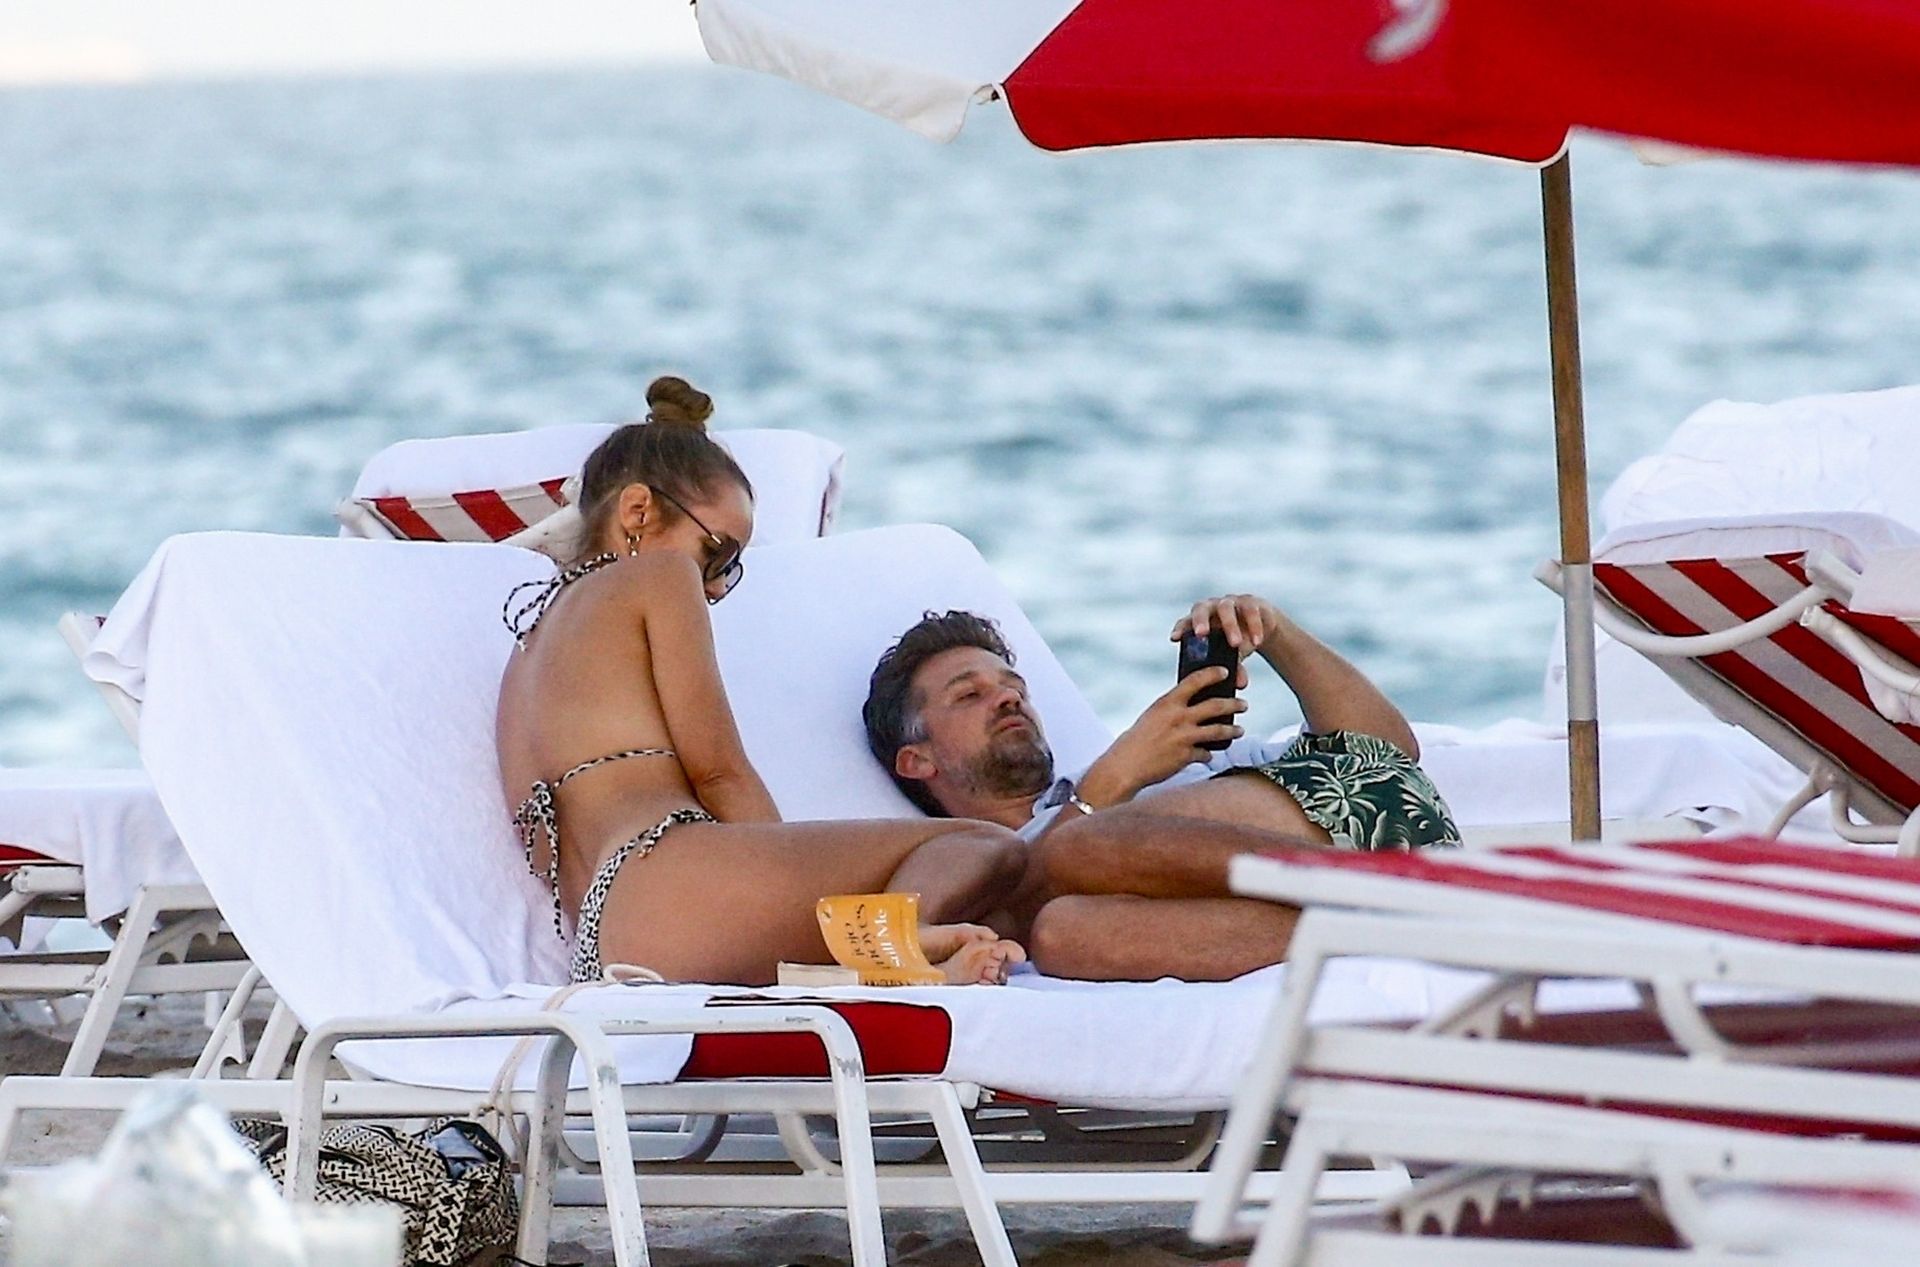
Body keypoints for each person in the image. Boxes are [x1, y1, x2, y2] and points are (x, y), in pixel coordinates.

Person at [496, 376, 1027, 987]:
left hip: (607, 940)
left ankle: (861, 965)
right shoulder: (659, 576)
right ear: (638, 511)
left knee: (993, 914)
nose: (719, 585)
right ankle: (885, 953)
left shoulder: (525, 652)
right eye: (717, 554)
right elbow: (719, 772)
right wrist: (783, 872)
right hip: (674, 877)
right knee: (983, 847)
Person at [862, 601, 1460, 981]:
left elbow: (1387, 753)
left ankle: (1392, 891)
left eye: (1013, 687)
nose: (1008, 698)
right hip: (1322, 908)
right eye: (969, 695)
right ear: (918, 760)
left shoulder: (1163, 765)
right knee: (1062, 936)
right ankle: (1396, 928)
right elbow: (1012, 909)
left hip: (1367, 832)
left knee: (1079, 849)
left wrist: (1276, 633)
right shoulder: (963, 855)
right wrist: (1114, 781)